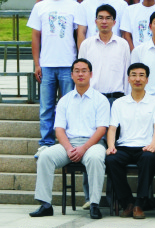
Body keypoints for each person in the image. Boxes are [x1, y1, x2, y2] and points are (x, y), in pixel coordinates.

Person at [30, 58, 109, 219]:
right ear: (71, 75)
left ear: (91, 74)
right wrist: (69, 148)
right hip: (69, 144)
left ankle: (94, 204)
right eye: (77, 71)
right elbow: (59, 129)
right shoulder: (64, 100)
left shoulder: (100, 99)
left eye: (84, 71)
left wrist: (83, 148)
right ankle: (45, 204)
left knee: (95, 158)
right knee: (45, 156)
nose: (80, 74)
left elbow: (101, 129)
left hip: (92, 144)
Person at [30, 0, 86, 156]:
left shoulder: (75, 6)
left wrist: (79, 62)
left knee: (69, 105)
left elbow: (79, 34)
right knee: (46, 106)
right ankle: (46, 142)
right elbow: (35, 36)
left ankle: (68, 142)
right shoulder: (40, 7)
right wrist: (37, 63)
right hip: (47, 64)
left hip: (68, 63)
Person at [105, 63, 155, 218]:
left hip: (146, 147)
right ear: (128, 78)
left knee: (148, 158)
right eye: (134, 75)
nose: (137, 79)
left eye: (141, 75)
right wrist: (111, 146)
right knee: (111, 160)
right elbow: (112, 128)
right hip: (124, 146)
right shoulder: (119, 103)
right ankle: (128, 203)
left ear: (147, 79)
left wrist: (153, 145)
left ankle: (139, 204)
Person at [77, 3, 131, 103]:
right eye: (101, 18)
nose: (104, 21)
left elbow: (127, 73)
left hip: (116, 98)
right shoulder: (86, 44)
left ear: (114, 22)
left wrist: (126, 98)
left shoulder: (123, 44)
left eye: (108, 18)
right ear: (95, 21)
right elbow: (80, 72)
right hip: (92, 98)